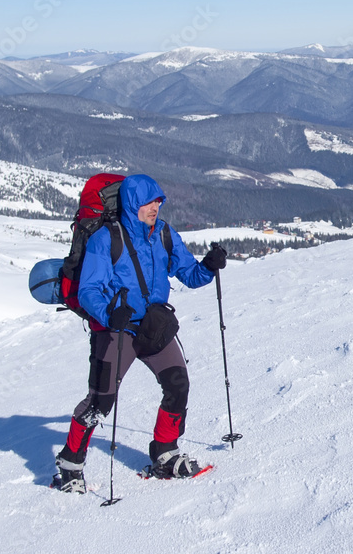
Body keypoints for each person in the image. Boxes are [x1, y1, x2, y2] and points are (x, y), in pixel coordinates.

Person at [54, 174, 227, 493]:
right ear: (132, 203)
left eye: (159, 201)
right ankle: (70, 465)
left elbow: (188, 273)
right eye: (149, 202)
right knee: (99, 402)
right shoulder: (105, 239)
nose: (156, 207)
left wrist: (207, 267)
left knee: (178, 384)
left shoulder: (163, 234)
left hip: (154, 326)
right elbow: (90, 289)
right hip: (116, 330)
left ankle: (165, 451)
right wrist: (109, 314)